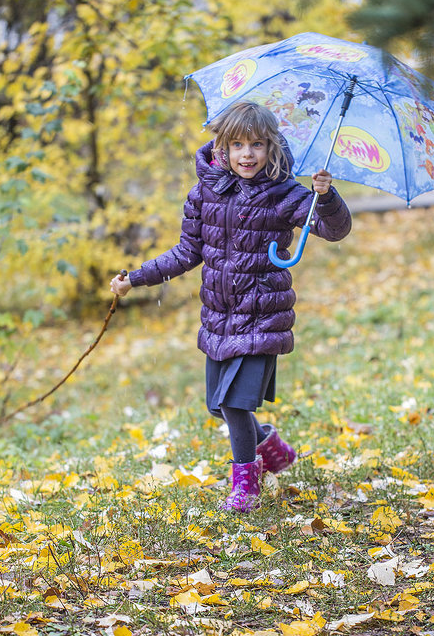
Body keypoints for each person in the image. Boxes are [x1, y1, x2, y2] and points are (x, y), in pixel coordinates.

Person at [110, 101, 351, 512]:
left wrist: (325, 198)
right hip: (219, 317)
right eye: (237, 144)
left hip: (262, 316)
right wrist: (136, 277)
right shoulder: (206, 191)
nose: (247, 154)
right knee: (218, 406)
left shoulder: (285, 194)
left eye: (257, 144)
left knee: (236, 404)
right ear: (221, 146)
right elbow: (187, 251)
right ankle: (272, 448)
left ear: (272, 147)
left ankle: (245, 485)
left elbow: (334, 229)